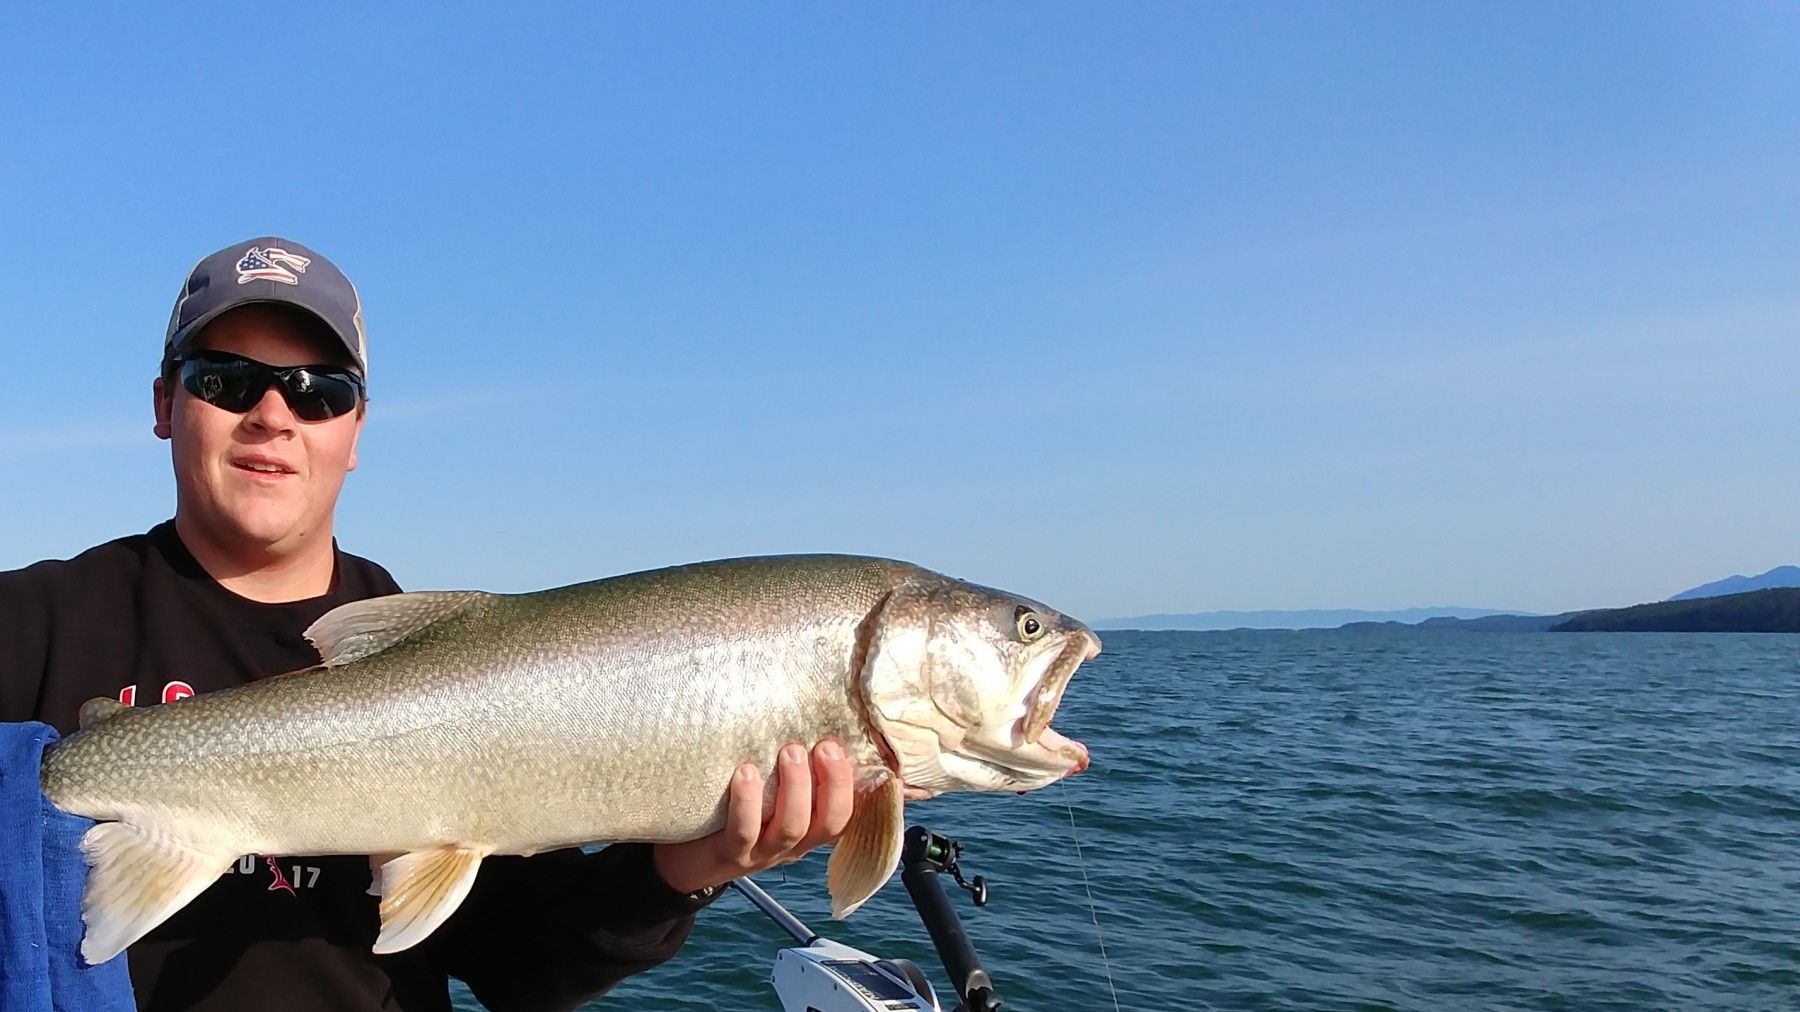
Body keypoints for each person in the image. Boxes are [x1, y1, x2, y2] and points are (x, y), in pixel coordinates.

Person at [0, 237, 855, 1011]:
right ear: (163, 404)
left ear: (356, 430)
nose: (272, 414)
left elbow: (524, 968)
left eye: (318, 391)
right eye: (223, 380)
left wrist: (692, 867)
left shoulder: (477, 671)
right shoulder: (30, 621)